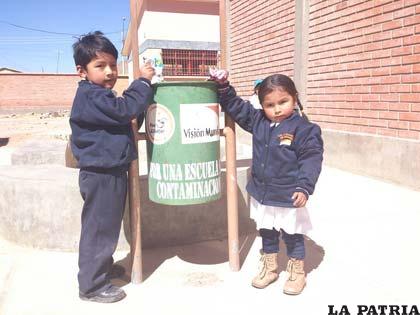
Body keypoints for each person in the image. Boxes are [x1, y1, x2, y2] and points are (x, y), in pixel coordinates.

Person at [209, 69, 323, 295]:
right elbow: (238, 108)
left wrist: (304, 186)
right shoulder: (259, 121)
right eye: (270, 105)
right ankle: (270, 267)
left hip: (289, 195)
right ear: (262, 105)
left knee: (292, 234)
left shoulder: (305, 129)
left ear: (295, 98)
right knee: (267, 231)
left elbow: (311, 159)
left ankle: (297, 272)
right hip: (262, 193)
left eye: (283, 101)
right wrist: (223, 87)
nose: (277, 109)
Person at [70, 31, 155, 303]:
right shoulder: (92, 96)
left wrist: (140, 103)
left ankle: (101, 268)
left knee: (107, 226)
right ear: (81, 71)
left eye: (113, 65)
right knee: (99, 229)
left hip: (111, 170)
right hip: (100, 174)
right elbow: (123, 110)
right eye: (100, 66)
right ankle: (92, 286)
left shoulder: (102, 96)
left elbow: (126, 117)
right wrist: (142, 82)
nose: (109, 72)